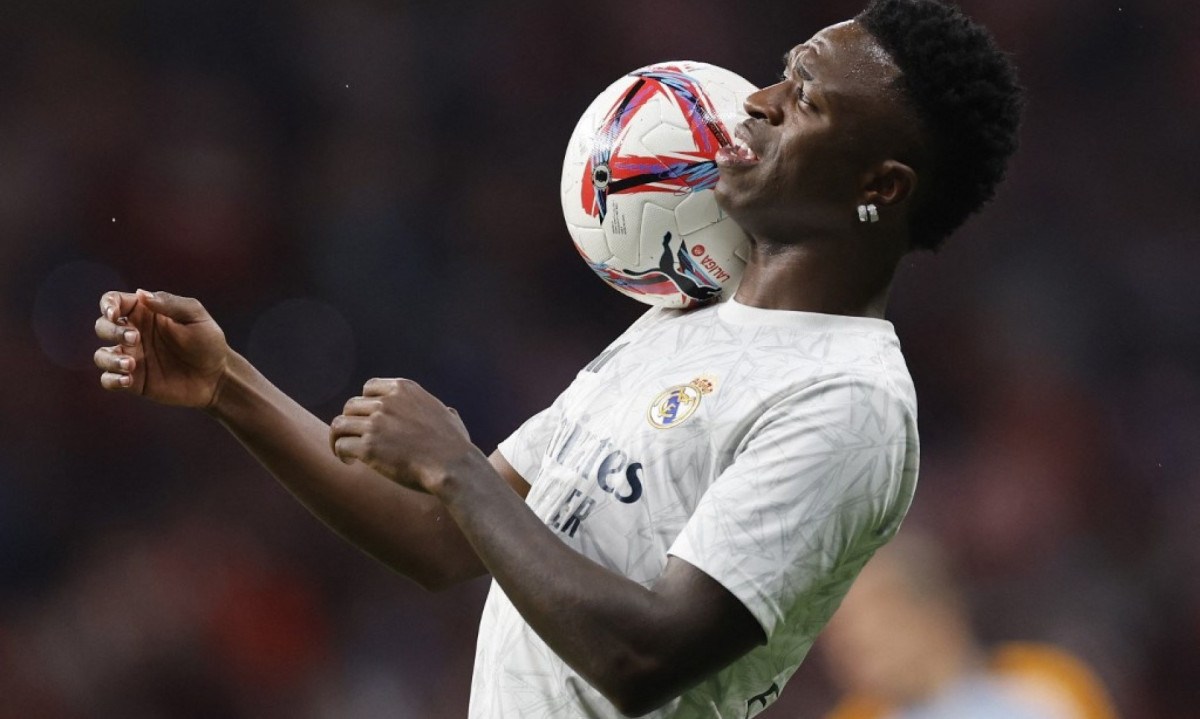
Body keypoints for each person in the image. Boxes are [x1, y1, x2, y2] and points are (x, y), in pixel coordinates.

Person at [92, 1, 1022, 716]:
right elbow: (440, 541)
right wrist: (228, 385)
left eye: (805, 98)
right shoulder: (685, 313)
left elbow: (646, 658)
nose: (759, 102)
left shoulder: (847, 400)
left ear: (880, 184)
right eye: (783, 73)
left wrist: (460, 467)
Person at [821, 531, 1118, 719]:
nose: (850, 640)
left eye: (876, 611)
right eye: (840, 629)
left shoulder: (1049, 689)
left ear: (936, 609)